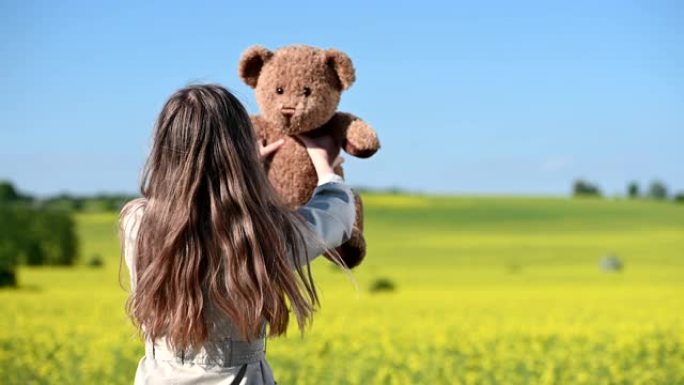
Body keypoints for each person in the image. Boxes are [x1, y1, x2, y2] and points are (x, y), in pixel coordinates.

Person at [119, 84, 356, 384]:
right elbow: (337, 215)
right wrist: (327, 168)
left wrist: (245, 171)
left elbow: (196, 214)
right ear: (240, 149)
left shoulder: (137, 222)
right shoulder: (261, 233)